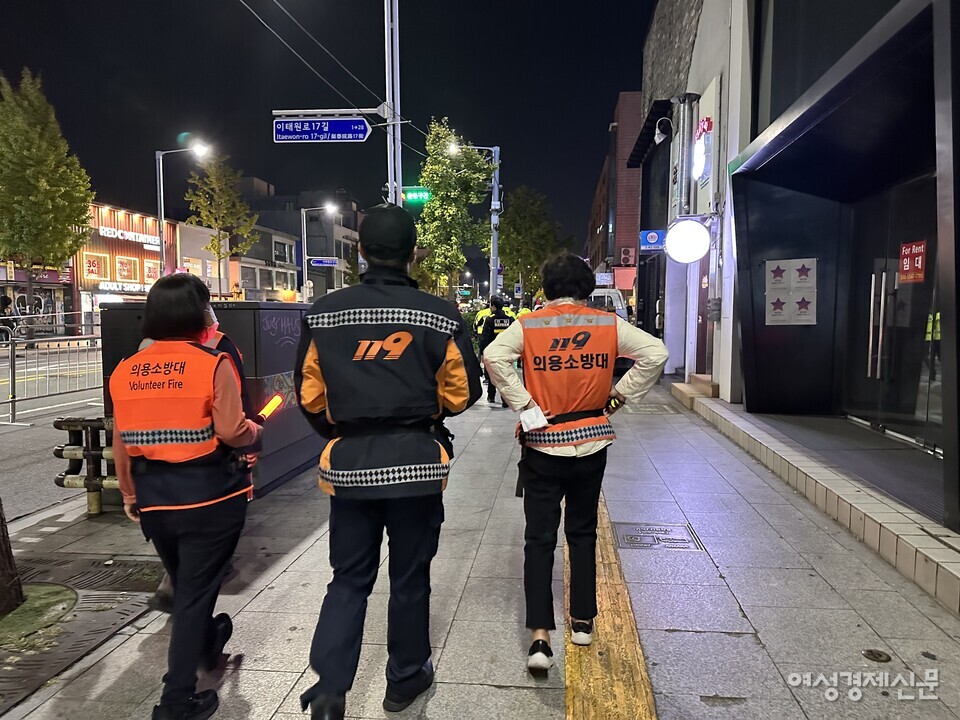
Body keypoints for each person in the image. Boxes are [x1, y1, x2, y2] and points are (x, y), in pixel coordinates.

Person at [295, 203, 482, 720]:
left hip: (349, 467)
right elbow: (463, 393)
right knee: (410, 577)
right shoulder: (439, 315)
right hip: (417, 467)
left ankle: (331, 688)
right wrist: (421, 413)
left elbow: (310, 397)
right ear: (413, 253)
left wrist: (346, 432)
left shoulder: (324, 314)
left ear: (359, 251)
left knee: (349, 578)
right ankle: (403, 680)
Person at [483, 251, 668, 673]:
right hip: (591, 443)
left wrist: (527, 407)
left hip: (543, 448)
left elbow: (494, 357)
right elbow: (655, 354)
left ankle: (539, 639)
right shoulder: (606, 324)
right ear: (587, 288)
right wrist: (618, 396)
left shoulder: (528, 325)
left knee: (538, 539)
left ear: (546, 289)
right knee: (582, 533)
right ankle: (582, 622)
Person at [111, 273, 262, 720]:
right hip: (209, 497)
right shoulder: (211, 363)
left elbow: (121, 441)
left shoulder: (125, 370)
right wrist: (257, 432)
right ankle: (175, 701)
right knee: (194, 594)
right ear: (201, 314)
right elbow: (234, 430)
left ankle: (207, 640)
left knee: (188, 587)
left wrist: (128, 493)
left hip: (155, 499)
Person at [143, 276, 259, 615]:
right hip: (208, 470)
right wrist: (250, 439)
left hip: (154, 476)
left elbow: (126, 428)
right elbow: (236, 410)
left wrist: (130, 492)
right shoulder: (219, 351)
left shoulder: (140, 358)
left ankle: (181, 592)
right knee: (202, 556)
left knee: (184, 554)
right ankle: (190, 613)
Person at [478, 296, 513, 406]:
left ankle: (491, 396)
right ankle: (505, 400)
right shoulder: (510, 319)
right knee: (505, 376)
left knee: (492, 375)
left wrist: (482, 352)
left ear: (493, 306)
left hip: (493, 352)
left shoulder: (490, 320)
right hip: (506, 352)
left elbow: (485, 338)